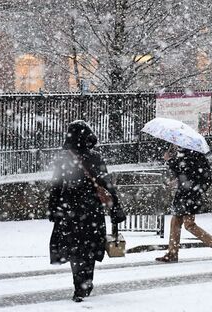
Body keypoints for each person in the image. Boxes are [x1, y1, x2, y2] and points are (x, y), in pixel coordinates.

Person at [48, 120, 126, 302]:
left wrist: (53, 208)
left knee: (75, 249)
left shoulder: (64, 158)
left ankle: (79, 285)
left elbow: (56, 186)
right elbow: (106, 184)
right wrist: (116, 209)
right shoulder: (95, 157)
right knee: (89, 248)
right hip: (91, 209)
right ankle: (86, 282)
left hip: (70, 210)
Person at [156, 144, 212, 263]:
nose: (176, 146)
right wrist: (177, 182)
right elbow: (187, 175)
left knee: (189, 224)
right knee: (175, 222)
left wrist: (169, 160)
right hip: (188, 195)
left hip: (188, 196)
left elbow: (183, 170)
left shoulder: (191, 156)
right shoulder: (195, 156)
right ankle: (172, 253)